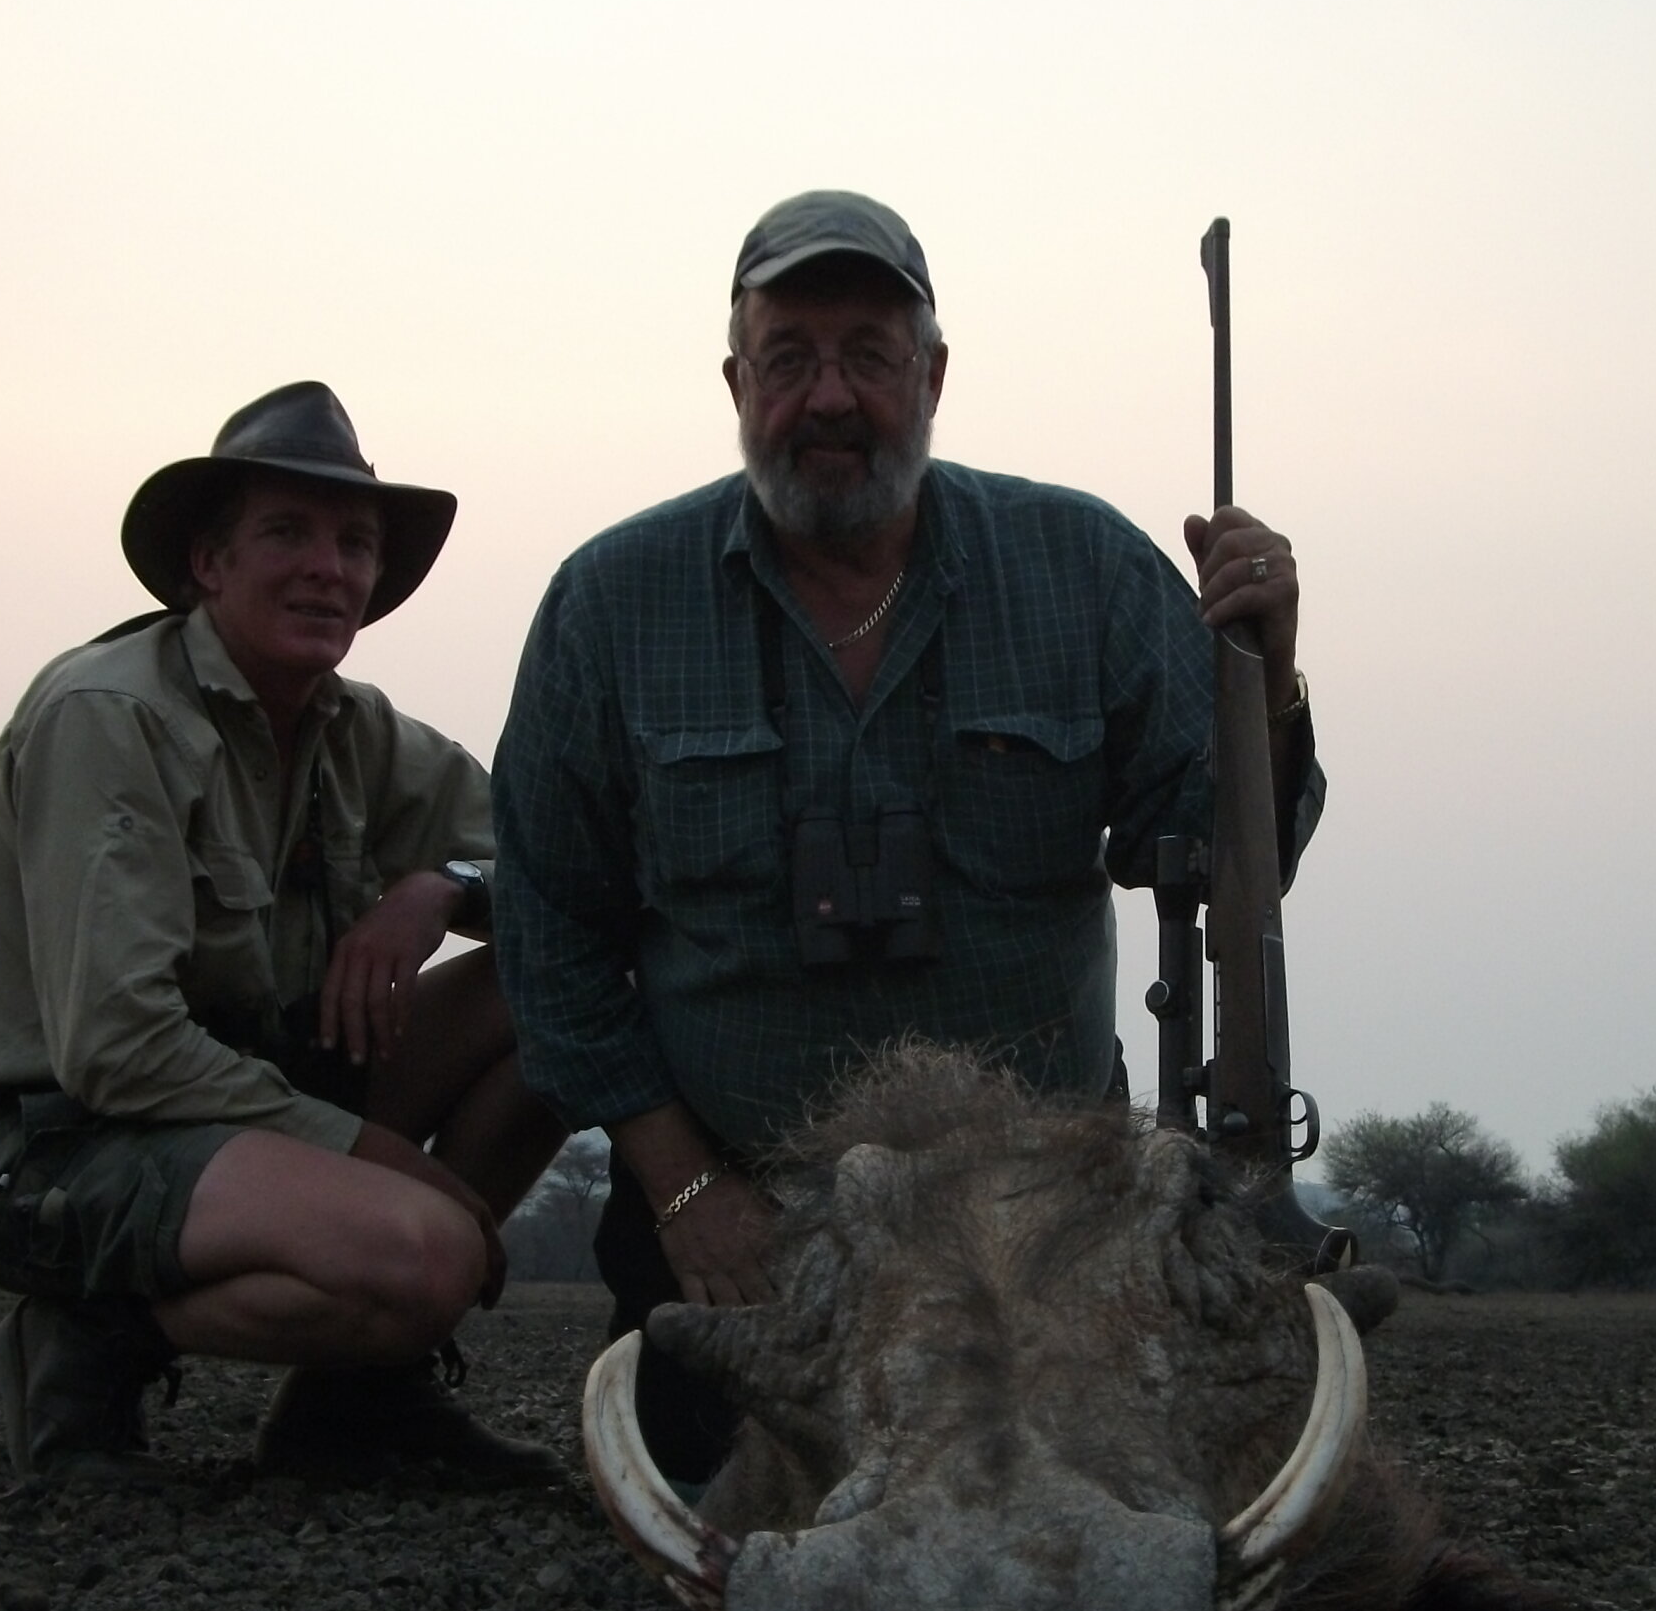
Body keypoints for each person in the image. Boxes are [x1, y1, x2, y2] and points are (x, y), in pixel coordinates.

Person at [491, 192, 1322, 1478]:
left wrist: (1264, 679)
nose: (828, 397)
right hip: (743, 1219)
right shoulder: (607, 602)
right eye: (788, 358)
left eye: (869, 357)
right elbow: (550, 930)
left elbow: (1216, 853)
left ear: (931, 377)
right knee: (724, 1528)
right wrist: (686, 1193)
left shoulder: (1088, 566)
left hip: (1044, 1222)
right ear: (734, 380)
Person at [0, 381, 566, 1488]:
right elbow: (116, 1051)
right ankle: (86, 1340)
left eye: (354, 542)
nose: (330, 566)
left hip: (246, 1103)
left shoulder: (356, 730)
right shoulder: (108, 717)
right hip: (65, 1150)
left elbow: (562, 865)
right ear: (207, 565)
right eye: (288, 533)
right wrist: (372, 1159)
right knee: (433, 1253)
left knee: (557, 993)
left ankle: (348, 1407)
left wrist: (436, 890)